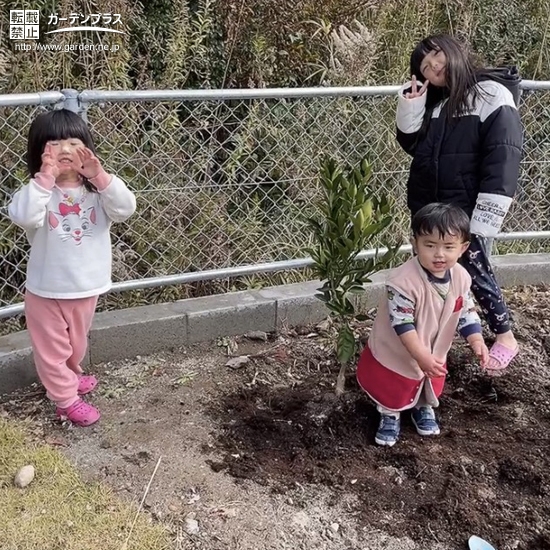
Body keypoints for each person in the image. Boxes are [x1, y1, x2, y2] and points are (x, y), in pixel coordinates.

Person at [396, 33, 522, 374]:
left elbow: (504, 156)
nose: (435, 68)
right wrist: (412, 104)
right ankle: (443, 337)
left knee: (476, 272)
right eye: (426, 68)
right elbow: (415, 146)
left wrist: (484, 219)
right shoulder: (439, 104)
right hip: (434, 208)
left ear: (454, 53)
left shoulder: (490, 95)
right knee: (444, 275)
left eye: (437, 58)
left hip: (466, 209)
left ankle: (505, 336)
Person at [8, 109, 136, 427]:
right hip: (46, 290)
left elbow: (126, 208)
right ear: (39, 153)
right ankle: (65, 399)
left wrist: (100, 176)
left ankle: (69, 375)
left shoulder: (99, 192)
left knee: (75, 345)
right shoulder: (37, 194)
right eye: (54, 144)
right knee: (53, 350)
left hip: (86, 286)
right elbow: (23, 216)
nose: (65, 149)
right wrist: (45, 178)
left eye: (73, 141)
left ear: (87, 149)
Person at [356, 203, 490, 447]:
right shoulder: (403, 282)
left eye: (448, 247)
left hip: (434, 346)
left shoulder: (460, 277)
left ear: (463, 248)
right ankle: (389, 414)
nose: (439, 254)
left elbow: (466, 310)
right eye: (430, 245)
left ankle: (422, 406)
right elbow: (403, 324)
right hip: (399, 348)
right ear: (415, 243)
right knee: (393, 383)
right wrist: (420, 355)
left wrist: (476, 339)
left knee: (429, 379)